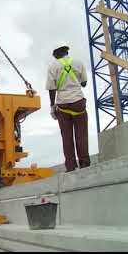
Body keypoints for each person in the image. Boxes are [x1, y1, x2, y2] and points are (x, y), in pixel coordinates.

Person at [46, 44, 91, 172]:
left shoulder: (53, 66)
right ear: (66, 52)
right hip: (78, 102)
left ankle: (71, 166)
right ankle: (85, 164)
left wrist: (52, 105)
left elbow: (51, 88)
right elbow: (84, 83)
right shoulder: (78, 62)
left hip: (62, 104)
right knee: (81, 135)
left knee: (66, 137)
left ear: (56, 55)